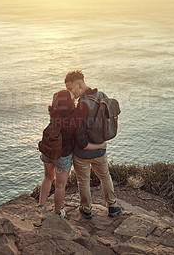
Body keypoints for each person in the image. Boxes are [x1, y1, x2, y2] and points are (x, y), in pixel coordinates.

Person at [38, 89, 105, 218]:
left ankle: (40, 205)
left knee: (47, 177)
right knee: (60, 185)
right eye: (71, 95)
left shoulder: (54, 111)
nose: (73, 95)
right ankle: (57, 212)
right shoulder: (73, 116)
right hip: (63, 154)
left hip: (48, 148)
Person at [65, 70, 121, 219]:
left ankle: (87, 209)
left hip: (83, 154)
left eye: (71, 89)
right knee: (105, 177)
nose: (71, 93)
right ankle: (113, 206)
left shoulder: (81, 106)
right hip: (100, 150)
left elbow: (81, 141)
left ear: (78, 84)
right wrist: (101, 145)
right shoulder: (102, 96)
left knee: (83, 181)